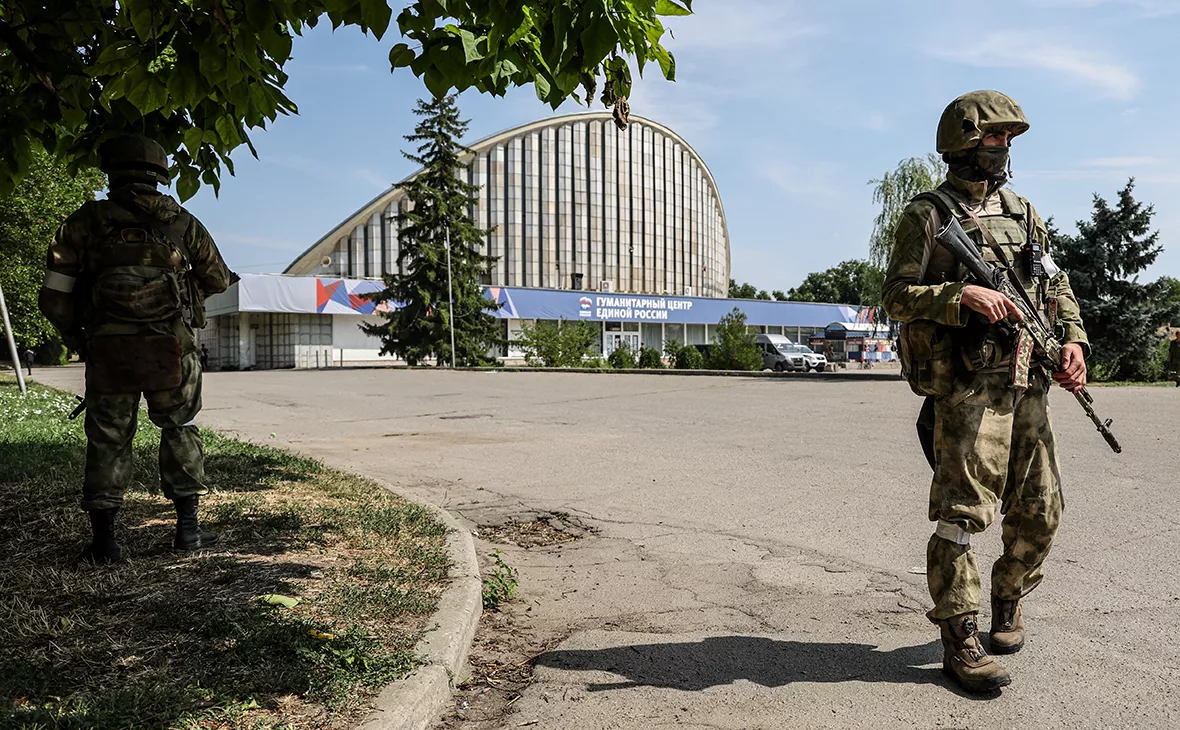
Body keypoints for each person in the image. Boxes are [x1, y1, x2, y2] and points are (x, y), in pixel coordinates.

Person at [884, 91, 1089, 693]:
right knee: (962, 520)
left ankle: (1008, 600)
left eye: (1007, 140)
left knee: (1043, 511)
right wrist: (959, 297)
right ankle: (960, 639)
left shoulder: (1025, 212)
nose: (1004, 149)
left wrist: (1073, 340)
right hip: (969, 390)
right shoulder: (927, 214)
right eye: (994, 138)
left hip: (1028, 382)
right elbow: (894, 297)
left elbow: (1056, 283)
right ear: (964, 142)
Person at [38, 135, 232, 564]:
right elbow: (218, 279)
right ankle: (188, 533)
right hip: (173, 350)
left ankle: (105, 544)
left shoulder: (83, 223)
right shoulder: (183, 223)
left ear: (110, 173)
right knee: (179, 428)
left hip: (109, 350)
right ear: (162, 175)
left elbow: (53, 297)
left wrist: (78, 337)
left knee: (107, 439)